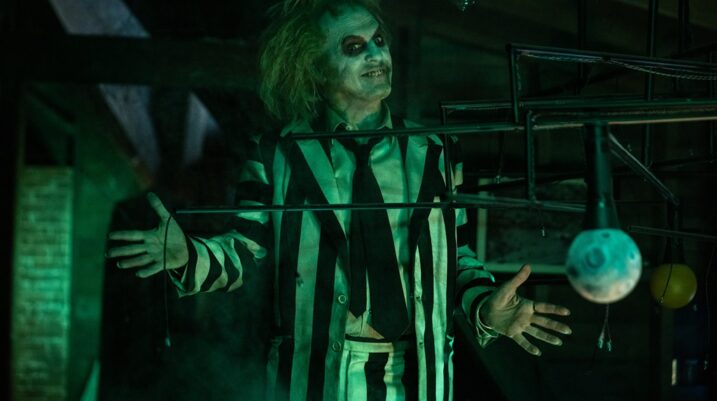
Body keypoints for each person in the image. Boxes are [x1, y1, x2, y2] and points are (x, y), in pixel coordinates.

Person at [106, 1, 572, 400]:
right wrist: (188, 256)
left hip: (418, 375)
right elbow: (245, 251)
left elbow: (457, 257)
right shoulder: (277, 154)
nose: (376, 54)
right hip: (314, 377)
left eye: (379, 41)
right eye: (354, 46)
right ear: (315, 67)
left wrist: (485, 307)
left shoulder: (435, 150)